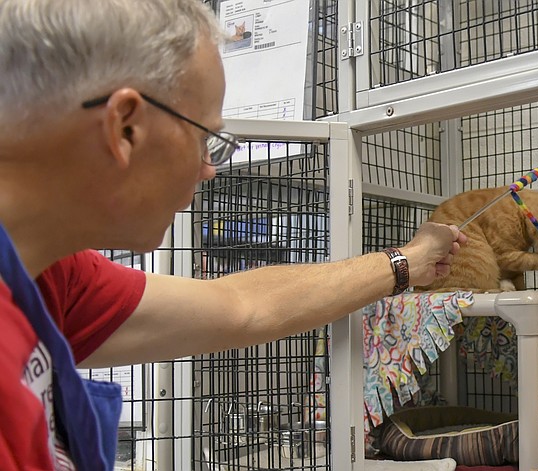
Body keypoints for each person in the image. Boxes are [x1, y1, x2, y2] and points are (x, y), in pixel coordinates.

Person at [0, 0, 466, 469]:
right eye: (206, 138)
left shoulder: (47, 271)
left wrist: (409, 260)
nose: (208, 169)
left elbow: (243, 305)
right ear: (126, 128)